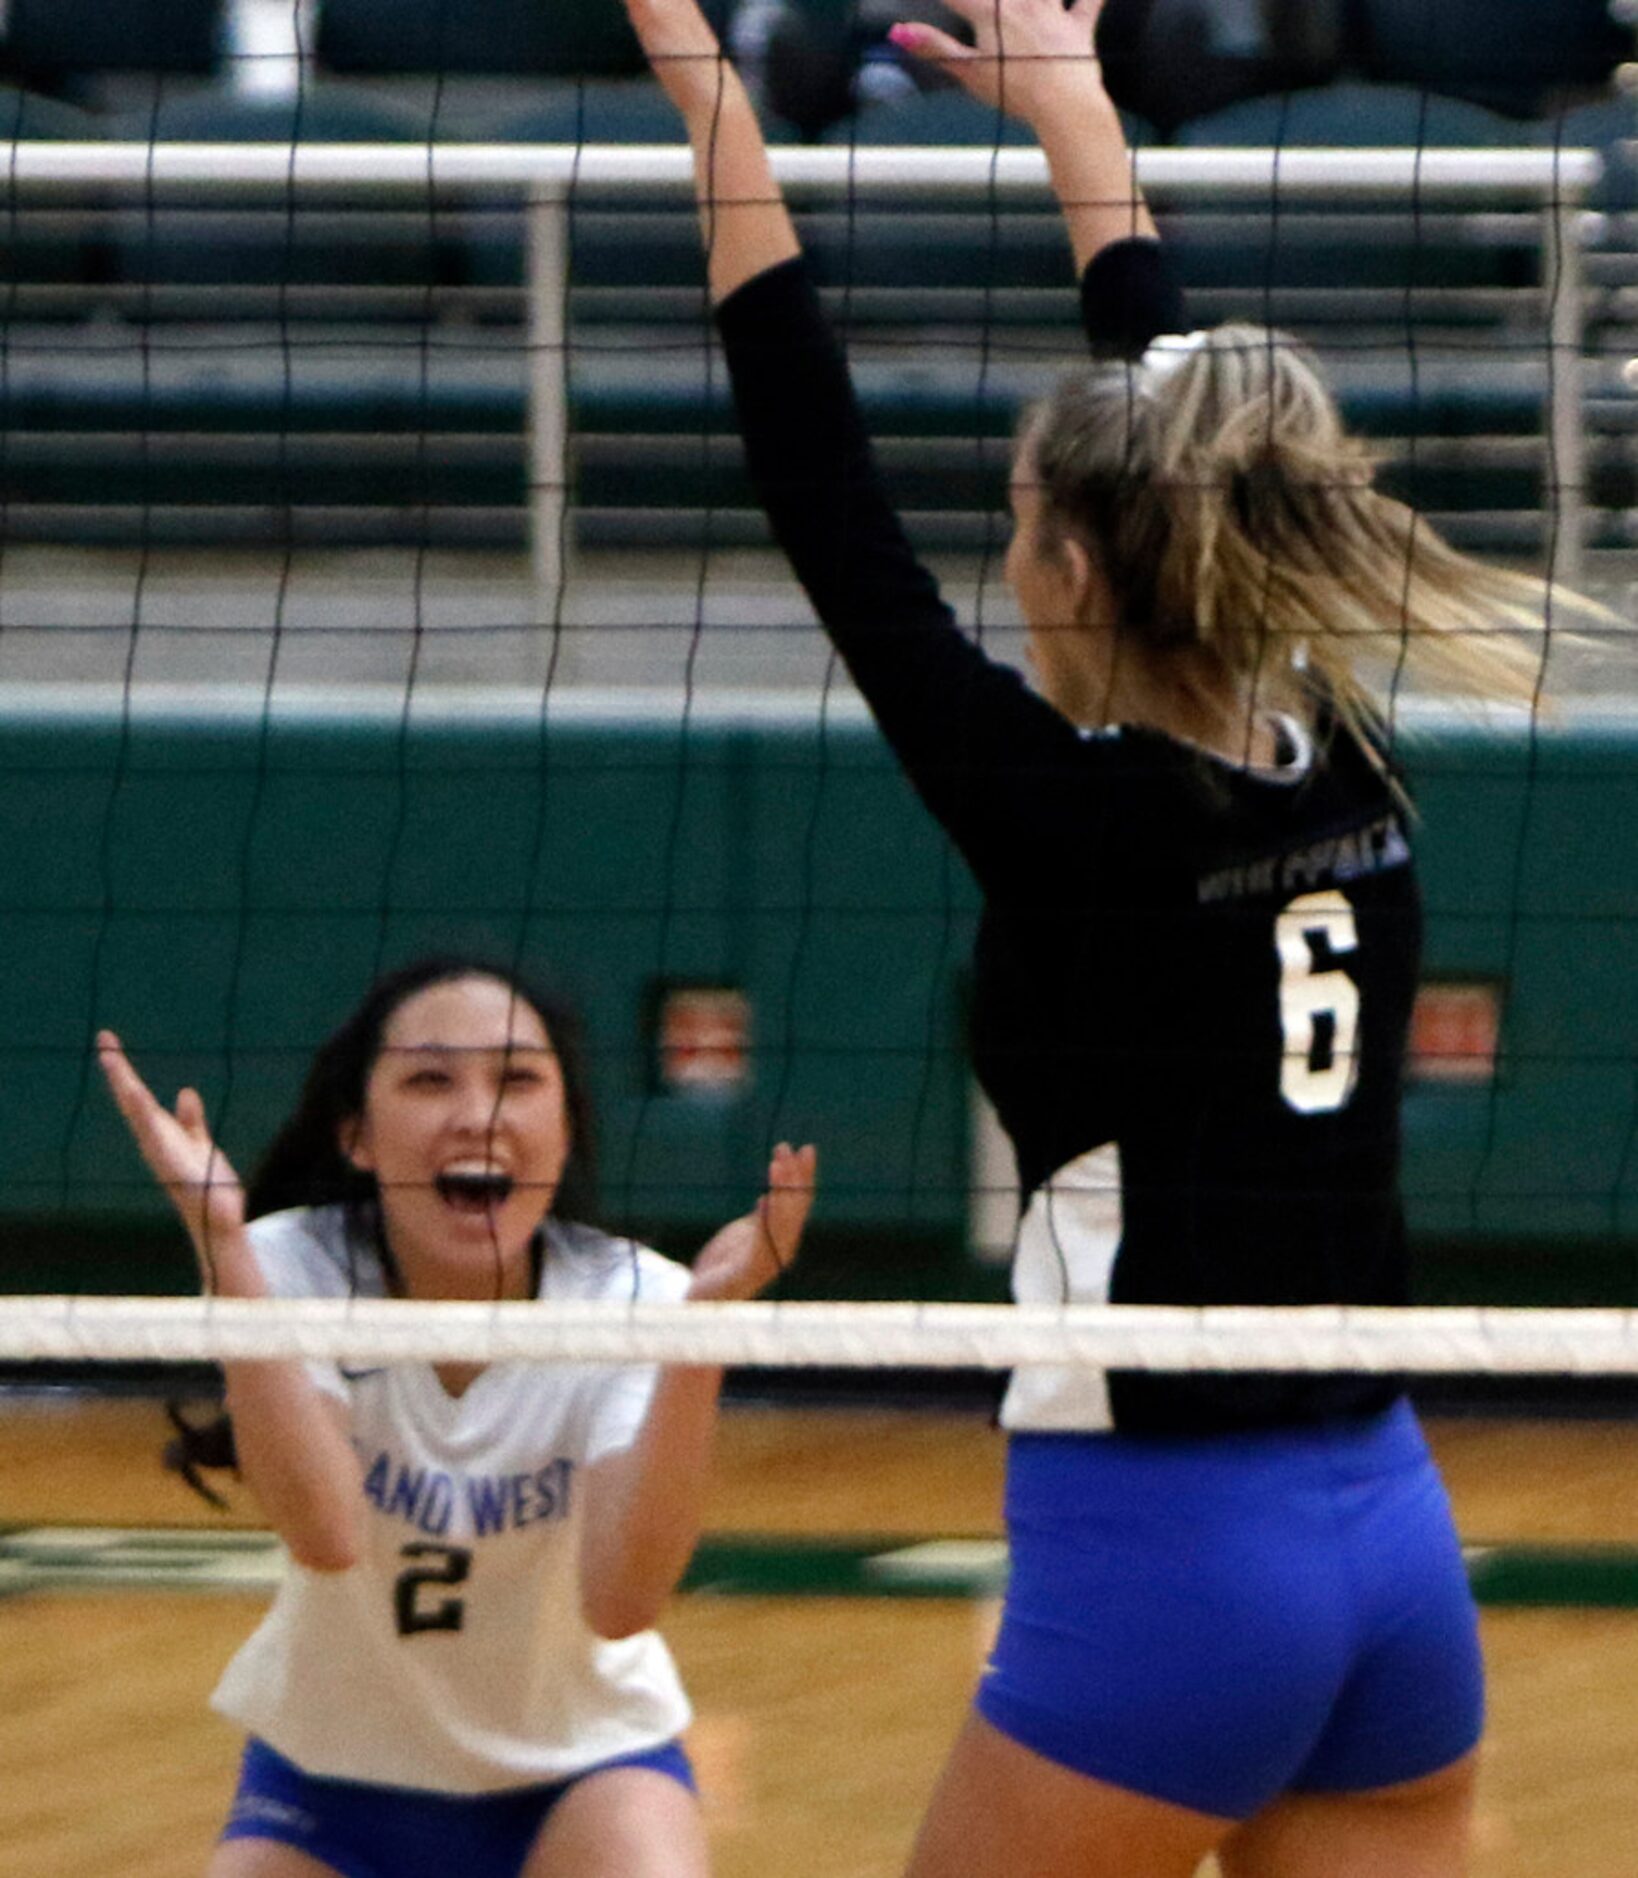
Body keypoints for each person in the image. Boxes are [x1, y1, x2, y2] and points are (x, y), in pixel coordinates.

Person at [616, 0, 1610, 1869]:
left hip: (1162, 1564)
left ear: (1075, 567)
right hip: (1392, 1538)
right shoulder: (1342, 748)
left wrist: (710, 100)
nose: (1001, 556)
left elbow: (817, 485)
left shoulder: (1068, 815)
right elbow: (1182, 439)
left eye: (1015, 523)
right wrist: (1077, 125)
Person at [98, 954, 816, 1878]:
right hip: (330, 1779)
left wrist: (698, 1339)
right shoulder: (288, 1267)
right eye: (431, 1078)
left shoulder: (637, 1296)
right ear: (356, 1134)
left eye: (518, 1080)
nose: (477, 1112)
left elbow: (622, 1603)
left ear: (563, 1131)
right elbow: (324, 1532)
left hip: (586, 1771)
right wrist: (226, 1251)